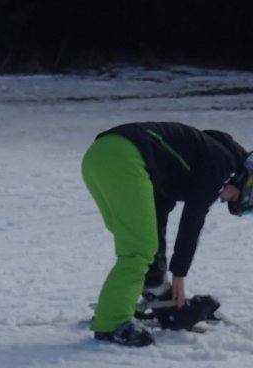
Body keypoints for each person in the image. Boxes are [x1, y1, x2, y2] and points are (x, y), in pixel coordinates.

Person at [82, 122, 250, 346]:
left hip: (99, 156)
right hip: (123, 158)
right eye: (242, 199)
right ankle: (111, 323)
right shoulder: (220, 162)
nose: (225, 200)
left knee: (140, 241)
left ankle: (130, 301)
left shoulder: (194, 158)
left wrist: (157, 276)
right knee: (138, 249)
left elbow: (158, 213)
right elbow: (192, 220)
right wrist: (179, 273)